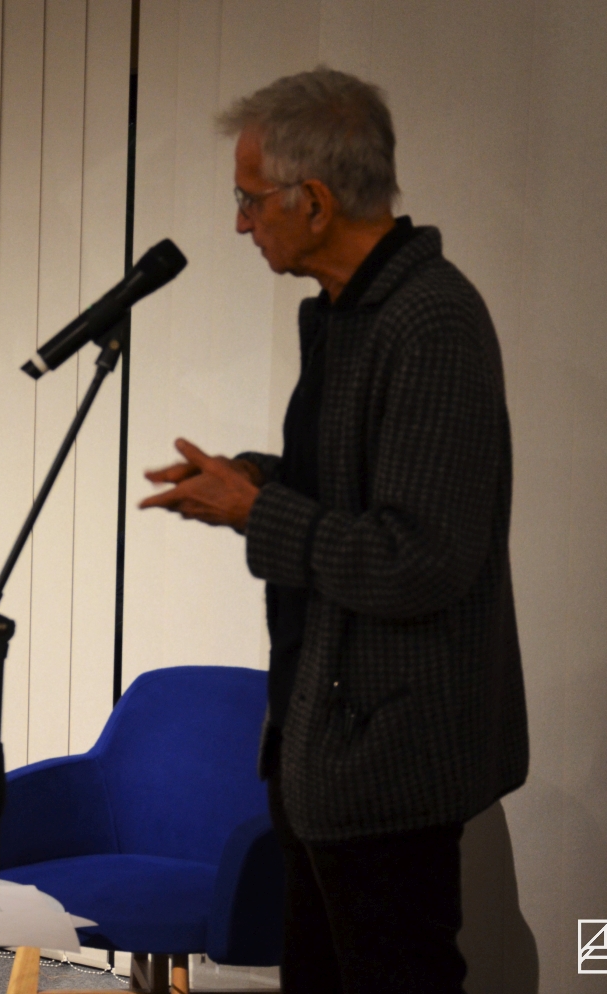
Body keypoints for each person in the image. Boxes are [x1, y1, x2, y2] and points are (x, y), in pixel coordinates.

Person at [140, 69, 527, 993]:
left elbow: (420, 558)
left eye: (249, 199)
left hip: (391, 760)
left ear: (313, 202)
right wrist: (254, 481)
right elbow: (351, 494)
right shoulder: (347, 317)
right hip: (327, 747)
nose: (240, 223)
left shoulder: (431, 324)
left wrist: (256, 510)